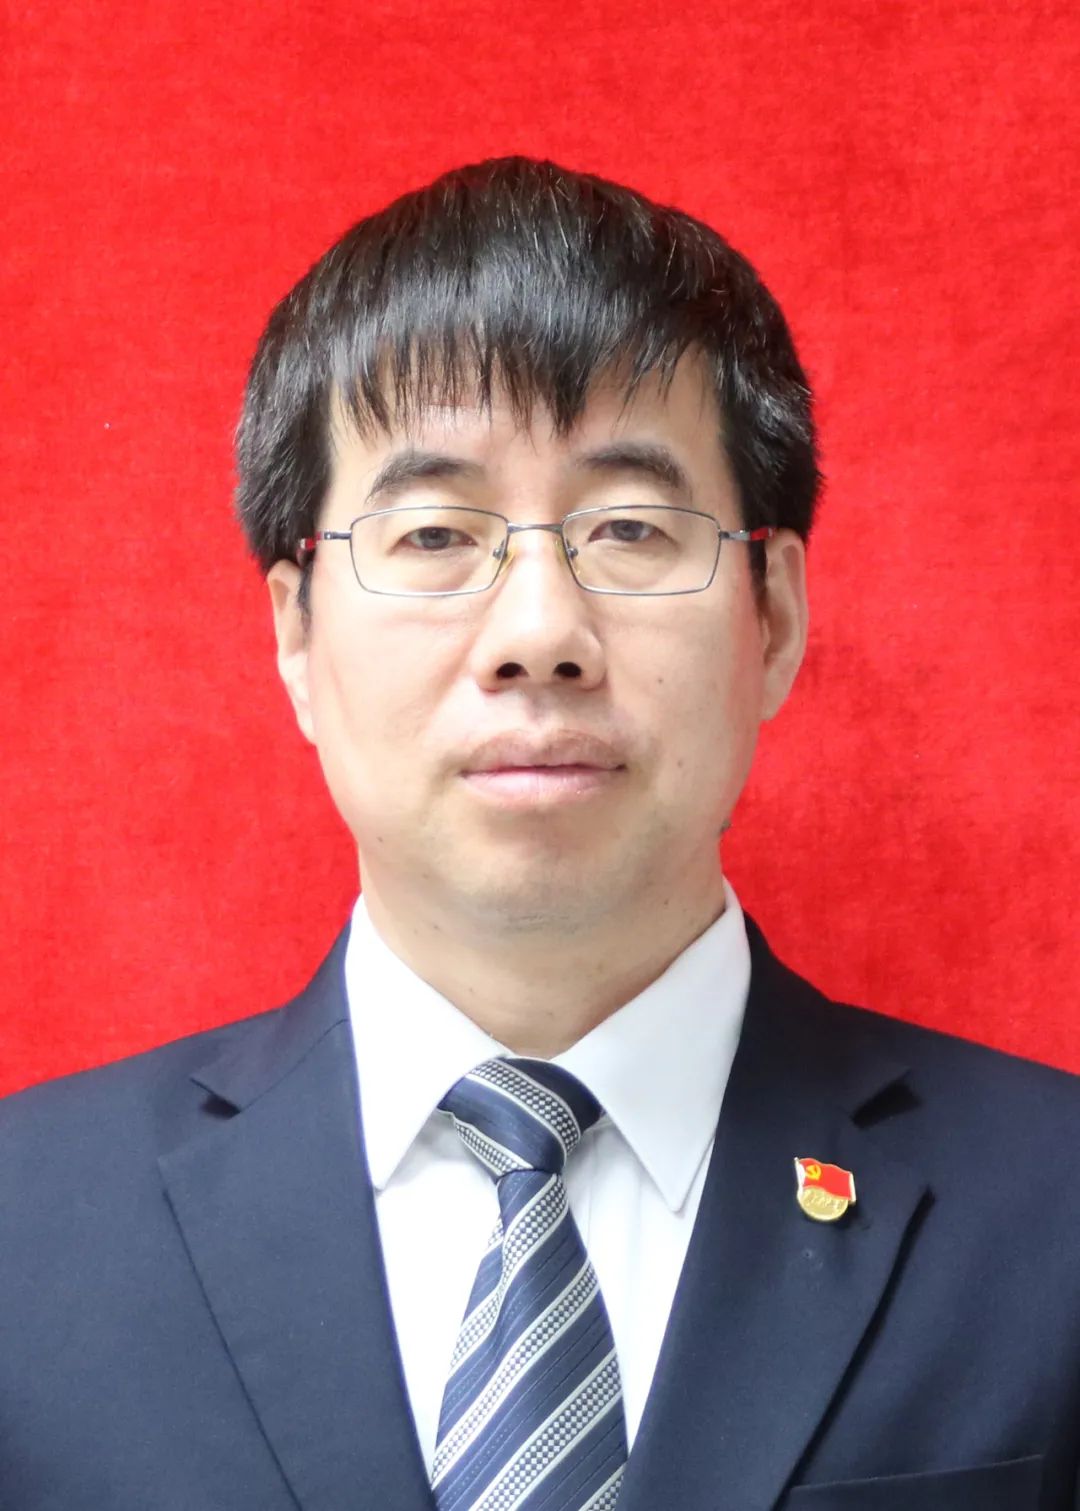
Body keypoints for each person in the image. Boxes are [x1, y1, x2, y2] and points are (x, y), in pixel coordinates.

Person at [1, 156, 1078, 1511]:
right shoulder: (25, 1229)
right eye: (434, 534)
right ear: (295, 634)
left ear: (774, 616)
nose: (538, 634)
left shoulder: (1053, 1213)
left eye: (628, 527)